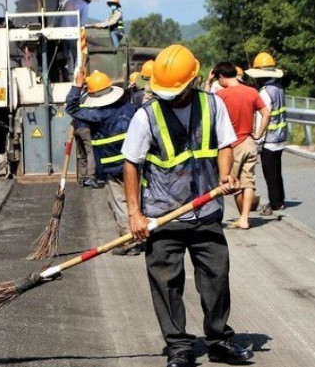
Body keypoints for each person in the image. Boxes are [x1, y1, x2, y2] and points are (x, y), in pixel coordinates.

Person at [121, 44, 253, 367]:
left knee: (217, 276)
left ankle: (219, 340)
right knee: (166, 283)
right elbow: (131, 163)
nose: (169, 97)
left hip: (206, 213)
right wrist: (135, 214)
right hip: (164, 216)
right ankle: (179, 348)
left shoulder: (212, 106)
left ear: (192, 81)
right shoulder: (146, 116)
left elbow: (225, 144)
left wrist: (224, 174)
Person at [66, 70, 142, 254]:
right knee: (137, 200)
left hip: (113, 168)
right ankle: (141, 236)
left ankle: (130, 243)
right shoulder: (129, 109)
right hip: (135, 163)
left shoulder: (97, 115)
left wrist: (77, 85)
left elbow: (71, 108)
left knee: (120, 203)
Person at [213, 61, 270, 229]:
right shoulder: (252, 92)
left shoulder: (220, 96)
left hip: (231, 146)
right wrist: (258, 134)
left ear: (222, 77)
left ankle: (219, 218)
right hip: (249, 142)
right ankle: (244, 219)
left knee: (229, 183)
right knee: (248, 182)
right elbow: (266, 114)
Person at [246, 52, 287, 216]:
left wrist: (258, 139)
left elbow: (265, 116)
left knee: (270, 174)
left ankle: (275, 203)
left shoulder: (264, 92)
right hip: (281, 137)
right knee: (277, 171)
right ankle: (280, 200)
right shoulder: (279, 88)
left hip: (270, 139)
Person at [58, 0, 97, 80]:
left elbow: (60, 17)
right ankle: (75, 78)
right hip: (73, 33)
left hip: (61, 33)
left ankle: (66, 76)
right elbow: (82, 22)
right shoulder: (85, 5)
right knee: (77, 57)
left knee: (66, 57)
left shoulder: (69, 2)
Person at [73, 118, 99, 188]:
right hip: (85, 128)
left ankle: (82, 178)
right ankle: (91, 177)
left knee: (81, 154)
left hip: (76, 128)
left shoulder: (76, 107)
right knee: (90, 152)